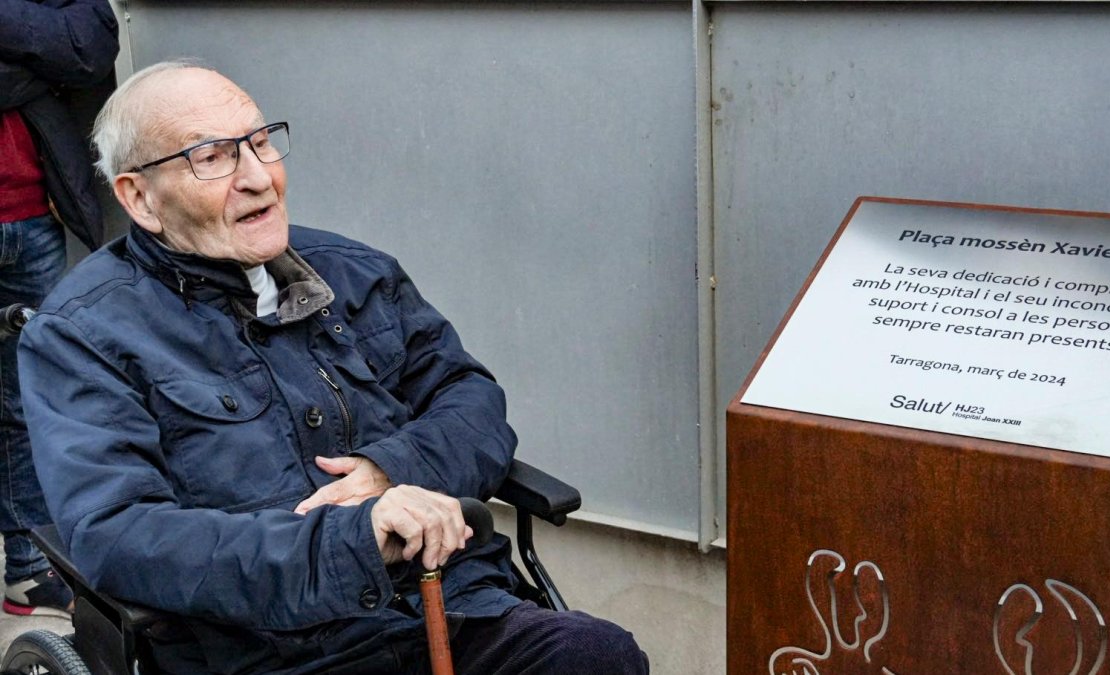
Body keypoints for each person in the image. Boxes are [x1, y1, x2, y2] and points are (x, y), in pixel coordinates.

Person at [18, 61, 649, 674]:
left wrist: (391, 469)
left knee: (595, 653)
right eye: (212, 157)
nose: (259, 177)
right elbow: (120, 534)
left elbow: (470, 399)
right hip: (265, 648)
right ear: (140, 198)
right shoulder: (83, 335)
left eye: (261, 142)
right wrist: (353, 539)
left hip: (448, 602)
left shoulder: (355, 273)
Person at [0, 0, 118, 617]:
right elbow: (54, 52)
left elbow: (89, 46)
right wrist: (32, 66)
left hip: (31, 219)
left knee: (31, 399)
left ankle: (27, 568)